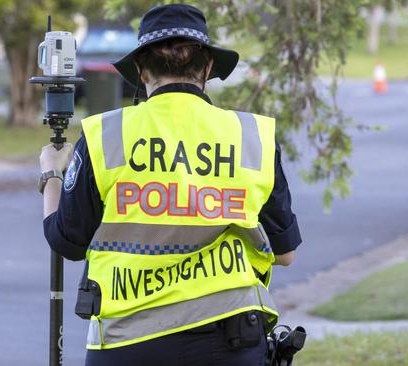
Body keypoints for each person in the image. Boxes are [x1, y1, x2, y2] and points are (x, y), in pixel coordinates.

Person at [39, 4, 302, 366]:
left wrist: (51, 174)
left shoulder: (105, 136)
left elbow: (66, 241)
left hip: (127, 346)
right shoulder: (251, 137)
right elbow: (285, 254)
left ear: (139, 70)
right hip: (231, 343)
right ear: (208, 67)